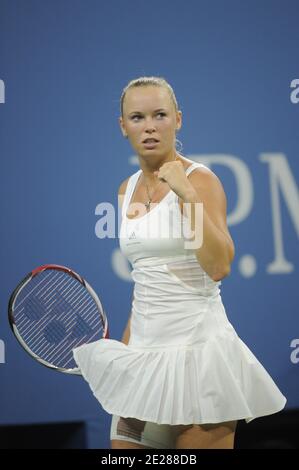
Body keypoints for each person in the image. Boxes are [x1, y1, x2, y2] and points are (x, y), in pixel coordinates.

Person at [73, 76, 287, 449]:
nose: (150, 126)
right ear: (123, 127)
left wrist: (186, 195)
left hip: (200, 358)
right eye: (137, 117)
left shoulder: (200, 180)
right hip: (141, 357)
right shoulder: (126, 190)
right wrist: (124, 356)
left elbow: (219, 266)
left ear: (178, 120)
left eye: (160, 115)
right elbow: (146, 281)